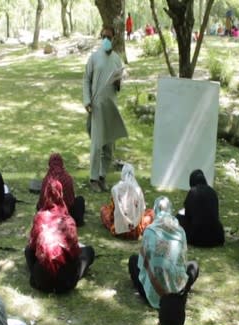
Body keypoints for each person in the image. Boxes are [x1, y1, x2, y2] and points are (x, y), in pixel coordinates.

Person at [129, 196, 199, 309]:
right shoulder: (180, 231)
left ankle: (153, 295)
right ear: (170, 211)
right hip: (175, 292)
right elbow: (182, 260)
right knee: (194, 266)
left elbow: (143, 262)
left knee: (133, 260)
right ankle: (177, 292)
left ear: (155, 210)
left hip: (152, 291)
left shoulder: (149, 231)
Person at [26, 179, 94, 294]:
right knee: (89, 252)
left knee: (28, 251)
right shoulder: (68, 221)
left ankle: (39, 273)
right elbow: (74, 253)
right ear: (61, 194)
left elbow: (32, 247)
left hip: (42, 280)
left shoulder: (40, 218)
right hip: (66, 282)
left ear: (45, 194)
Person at [83, 26, 128, 193]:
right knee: (97, 144)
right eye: (103, 37)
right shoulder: (94, 58)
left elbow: (118, 85)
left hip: (111, 106)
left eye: (109, 37)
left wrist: (118, 83)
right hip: (96, 106)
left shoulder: (117, 59)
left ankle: (102, 176)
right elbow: (86, 80)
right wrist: (87, 101)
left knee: (109, 145)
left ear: (114, 38)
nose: (106, 40)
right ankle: (93, 178)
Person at [100, 163, 154, 240]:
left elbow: (113, 214)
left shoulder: (116, 190)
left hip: (118, 230)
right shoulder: (138, 190)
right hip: (136, 231)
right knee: (151, 213)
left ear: (122, 174)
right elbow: (142, 211)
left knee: (103, 209)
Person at [177, 170, 225, 248]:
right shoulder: (213, 192)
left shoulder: (192, 192)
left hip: (196, 238)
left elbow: (188, 216)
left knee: (178, 218)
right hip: (215, 238)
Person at [37, 153, 85, 227]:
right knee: (80, 200)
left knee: (38, 205)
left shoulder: (46, 179)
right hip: (64, 214)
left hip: (49, 216)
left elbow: (42, 202)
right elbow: (70, 201)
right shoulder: (67, 178)